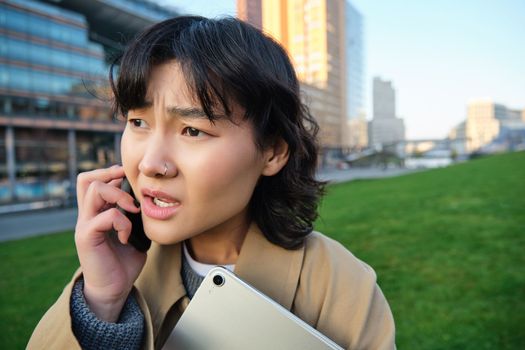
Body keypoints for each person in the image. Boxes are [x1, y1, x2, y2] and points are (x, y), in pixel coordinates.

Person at [28, 16, 395, 349]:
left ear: (272, 152)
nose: (151, 164)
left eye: (192, 130)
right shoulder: (112, 273)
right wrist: (102, 302)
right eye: (138, 123)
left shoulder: (341, 287)